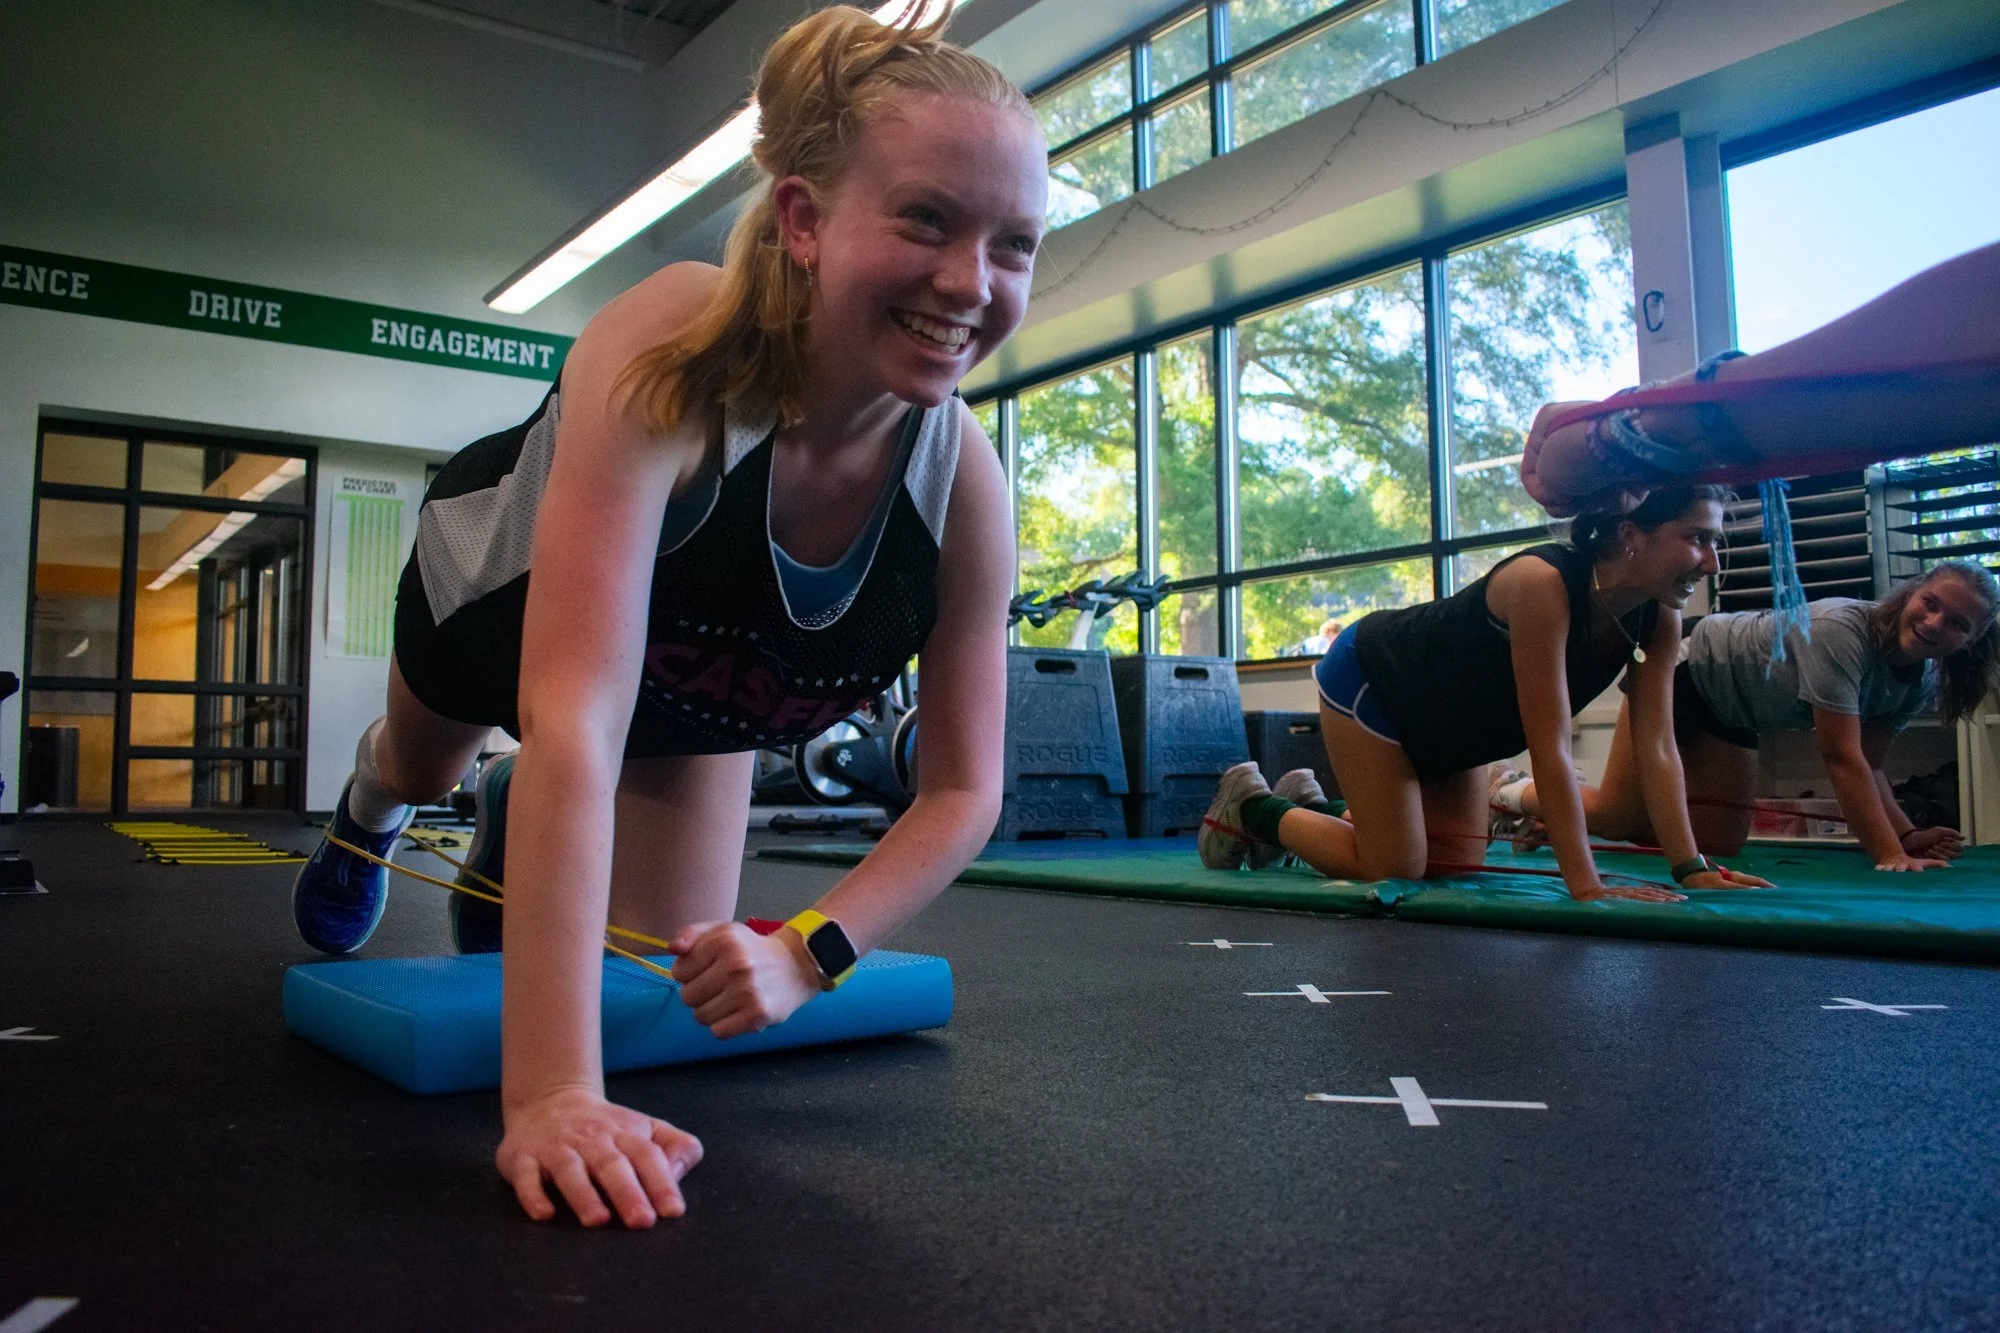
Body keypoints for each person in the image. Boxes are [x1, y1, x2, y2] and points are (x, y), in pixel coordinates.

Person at [288, 5, 1043, 1228]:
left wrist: (807, 952)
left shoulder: (960, 483)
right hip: (499, 601)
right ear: (803, 219)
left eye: (1013, 244)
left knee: (664, 971)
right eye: (925, 221)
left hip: (695, 689)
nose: (970, 283)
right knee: (429, 752)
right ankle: (375, 809)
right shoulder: (680, 345)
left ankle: (510, 826)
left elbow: (962, 793)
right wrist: (549, 1094)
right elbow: (574, 717)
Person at [1199, 487, 1773, 901]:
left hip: (1453, 731)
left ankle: (1314, 809)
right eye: (1697, 539)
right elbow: (1549, 748)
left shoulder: (1658, 620)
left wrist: (1690, 866)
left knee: (1455, 863)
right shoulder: (1542, 586)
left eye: (1715, 542)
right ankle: (1253, 807)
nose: (1712, 561)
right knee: (1393, 864)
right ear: (1630, 535)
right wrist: (1588, 886)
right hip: (1377, 685)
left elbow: (1659, 748)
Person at [1492, 561, 1999, 869]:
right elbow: (1840, 758)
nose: (1935, 623)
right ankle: (1510, 789)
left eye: (1957, 623)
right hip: (1691, 669)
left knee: (1719, 846)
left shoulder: (1918, 680)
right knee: (1616, 816)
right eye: (1930, 604)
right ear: (1910, 593)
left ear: (1972, 642)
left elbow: (1871, 765)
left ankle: (1555, 823)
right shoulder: (1846, 631)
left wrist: (1908, 836)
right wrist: (1890, 854)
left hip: (1734, 710)